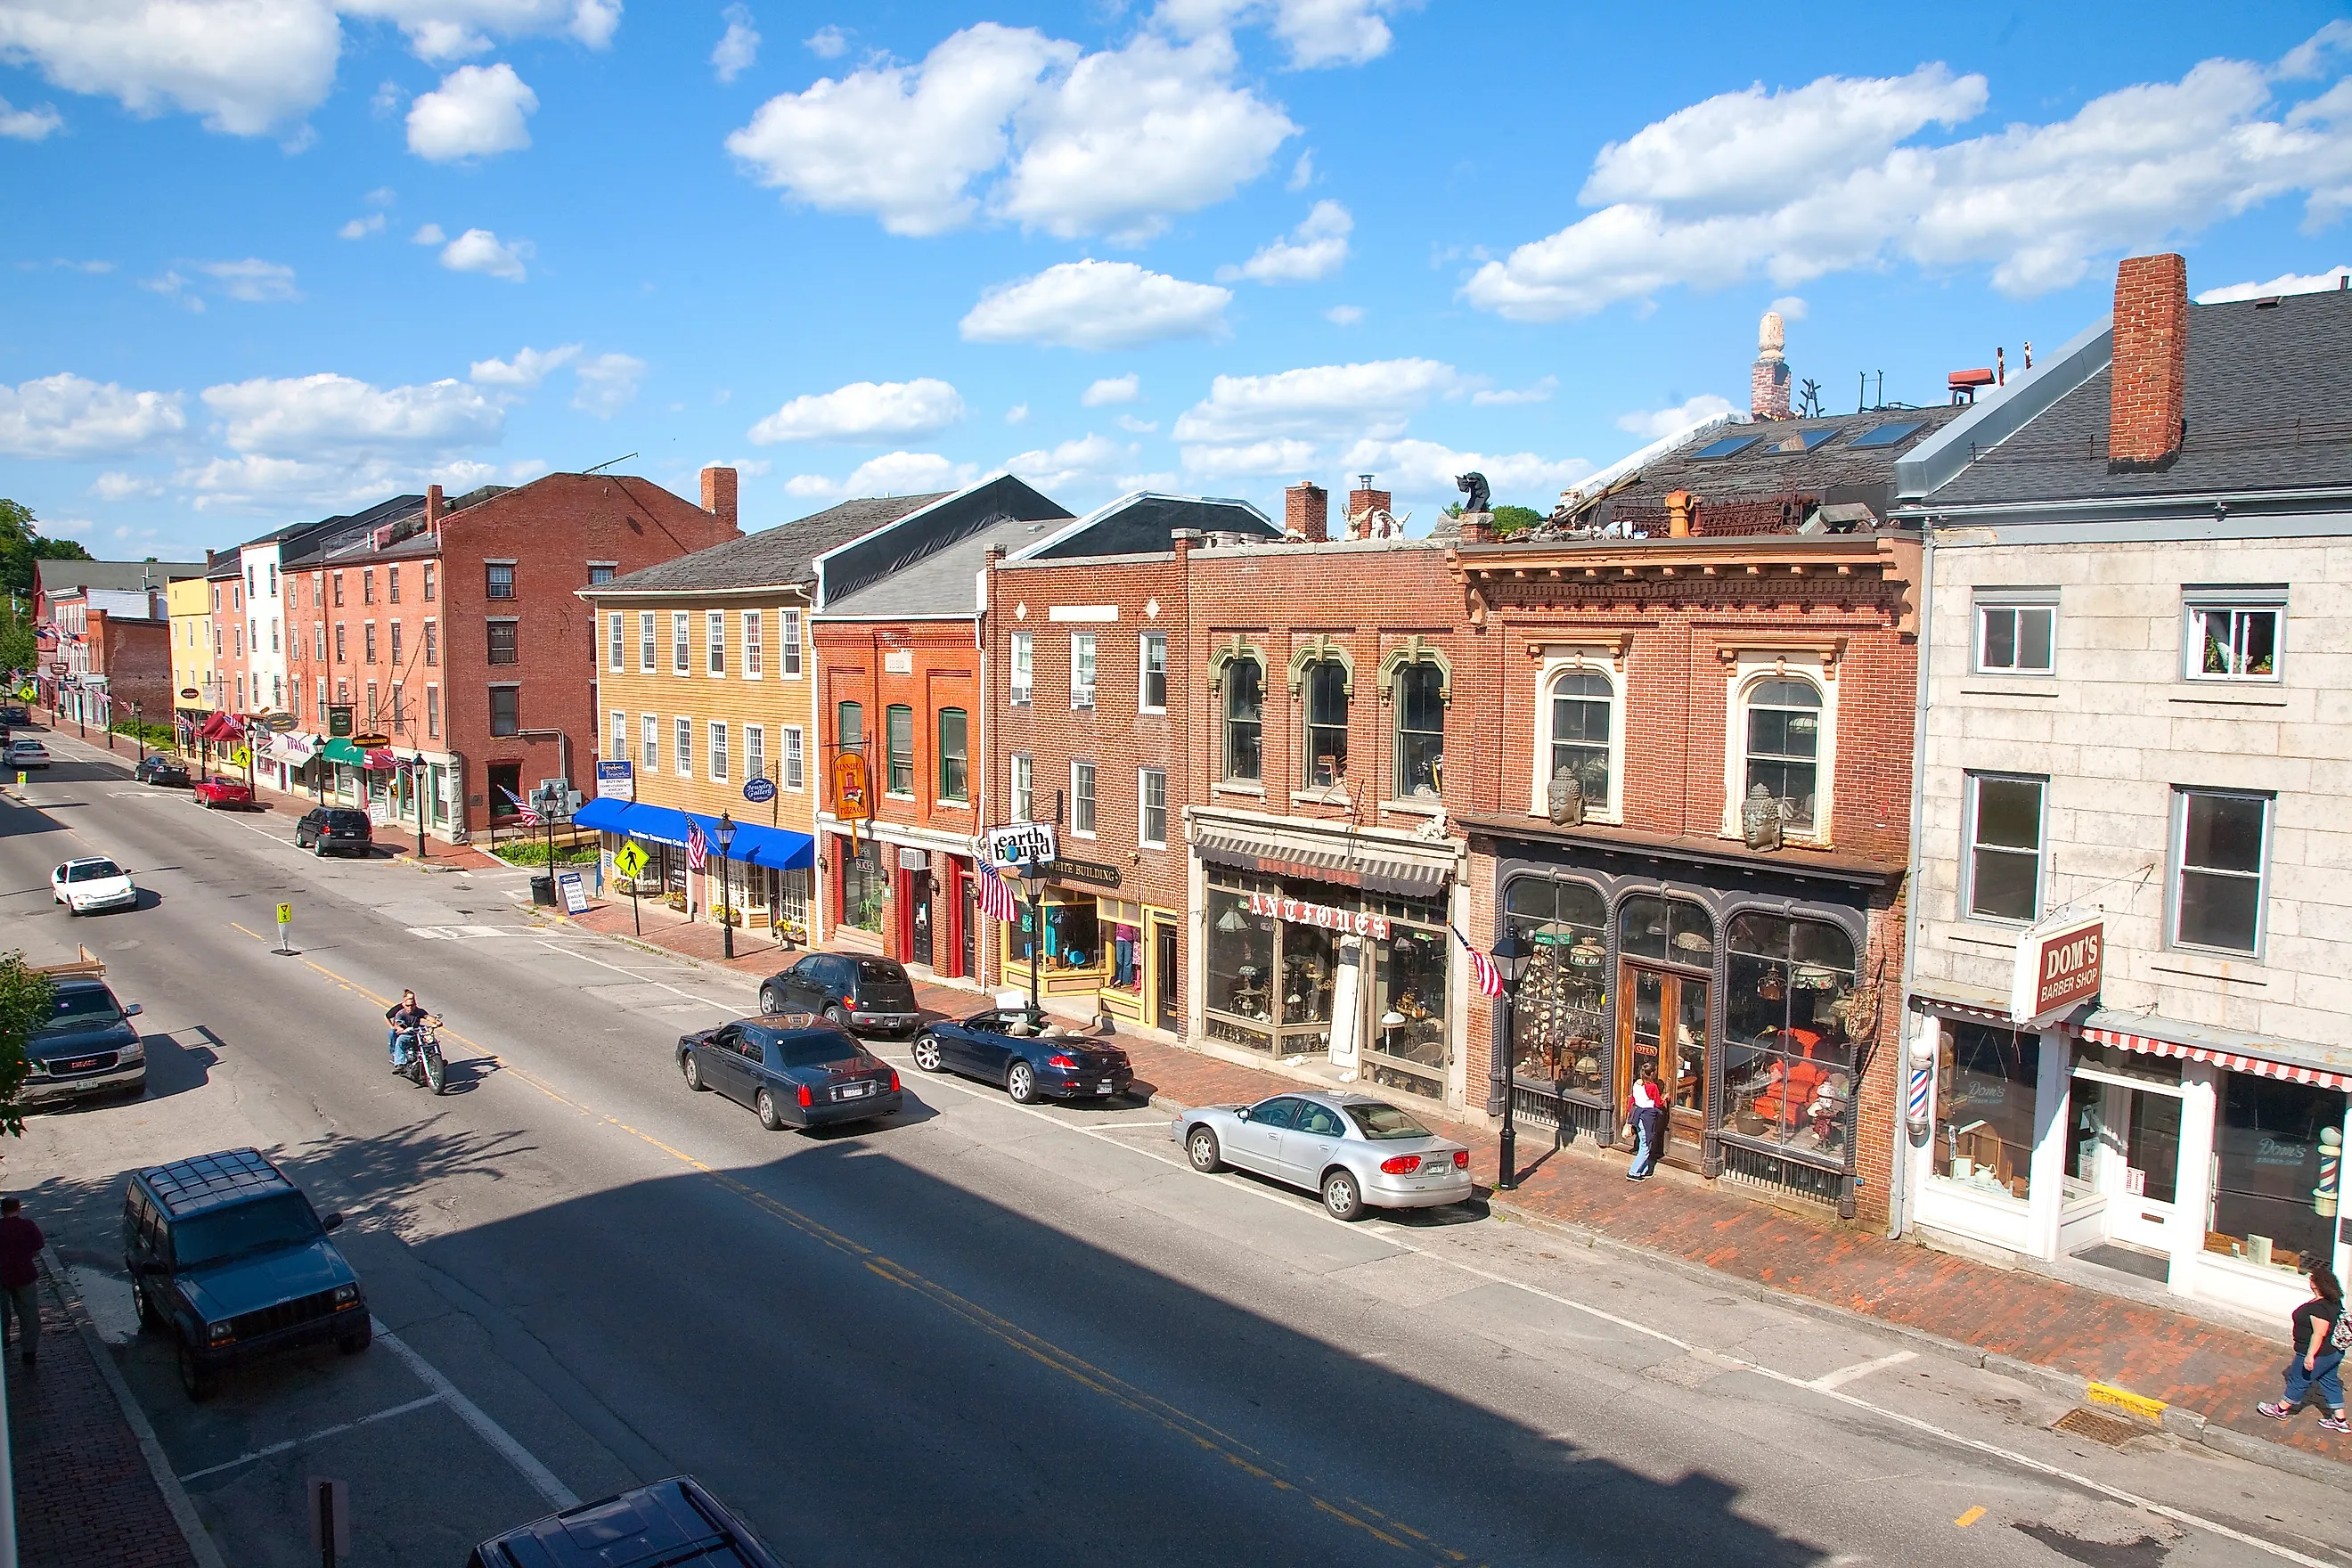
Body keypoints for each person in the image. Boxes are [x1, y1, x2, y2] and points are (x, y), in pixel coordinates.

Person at [2259, 1263, 2348, 1433]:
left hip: (2319, 1352)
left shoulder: (2319, 1308)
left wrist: (2310, 1356)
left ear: (2317, 1284)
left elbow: (2319, 1334)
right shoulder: (2333, 1302)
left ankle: (2281, 1409)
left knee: (2299, 1378)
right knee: (2329, 1381)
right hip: (2333, 1352)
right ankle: (2340, 1420)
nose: (2309, 1280)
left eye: (2312, 1278)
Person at [0, 1196, 44, 1365]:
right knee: (29, 1314)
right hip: (25, 1275)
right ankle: (29, 1351)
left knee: (2, 1313)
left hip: (2, 1276)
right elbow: (38, 1245)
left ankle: (4, 1342)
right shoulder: (27, 1226)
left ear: (2, 1210)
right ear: (19, 1208)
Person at [1625, 1069, 1667, 1181]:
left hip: (1637, 1115)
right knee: (1645, 1145)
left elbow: (1632, 1100)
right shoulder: (1652, 1087)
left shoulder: (1637, 1084)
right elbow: (1658, 1103)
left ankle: (1644, 1170)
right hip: (1647, 1117)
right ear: (1652, 1074)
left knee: (1643, 1140)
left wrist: (1628, 1118)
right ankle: (1633, 1172)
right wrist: (1665, 1098)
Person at [385, 989, 432, 1070]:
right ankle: (397, 1058)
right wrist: (393, 1027)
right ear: (405, 999)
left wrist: (436, 1021)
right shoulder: (399, 1011)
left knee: (430, 1039)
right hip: (404, 1030)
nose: (410, 1006)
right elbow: (389, 1017)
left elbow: (427, 1016)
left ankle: (435, 1058)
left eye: (413, 998)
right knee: (393, 1034)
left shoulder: (417, 1010)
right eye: (410, 998)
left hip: (414, 1029)